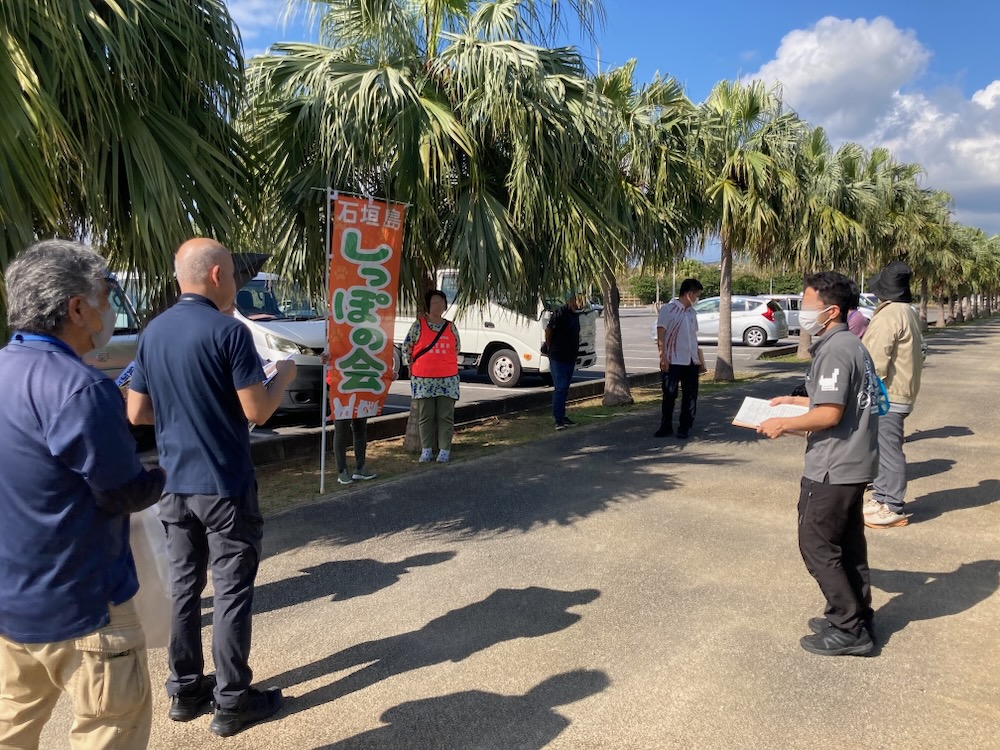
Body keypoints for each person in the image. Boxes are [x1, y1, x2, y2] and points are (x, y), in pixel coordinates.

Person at [127, 238, 297, 737]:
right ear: (218, 275)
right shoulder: (229, 332)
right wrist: (284, 375)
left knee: (184, 588)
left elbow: (136, 412)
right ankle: (232, 699)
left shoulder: (153, 333)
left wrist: (183, 411)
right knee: (231, 589)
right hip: (223, 483)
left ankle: (184, 690)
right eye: (234, 276)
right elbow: (256, 410)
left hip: (173, 484)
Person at [0, 239, 166, 748]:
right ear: (76, 308)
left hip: (13, 601)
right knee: (109, 728)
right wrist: (168, 474)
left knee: (11, 729)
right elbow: (123, 491)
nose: (108, 310)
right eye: (104, 297)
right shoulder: (80, 387)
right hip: (86, 605)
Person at [758, 271, 879, 657]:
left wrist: (783, 424)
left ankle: (848, 628)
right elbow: (833, 399)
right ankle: (858, 614)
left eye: (807, 303)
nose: (802, 310)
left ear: (831, 311)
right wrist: (791, 402)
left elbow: (829, 413)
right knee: (848, 544)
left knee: (816, 544)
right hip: (854, 462)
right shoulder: (852, 344)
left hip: (832, 466)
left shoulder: (835, 350)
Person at [862, 260, 924, 529]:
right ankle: (881, 497)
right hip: (901, 391)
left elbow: (875, 359)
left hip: (888, 394)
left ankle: (894, 506)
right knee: (882, 449)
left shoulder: (889, 315)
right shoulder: (907, 311)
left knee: (888, 451)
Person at [402, 289, 461, 462]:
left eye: (441, 302)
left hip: (447, 379)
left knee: (445, 416)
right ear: (428, 306)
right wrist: (409, 365)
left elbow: (456, 347)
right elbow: (407, 347)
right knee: (425, 416)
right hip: (423, 379)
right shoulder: (418, 325)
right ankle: (426, 449)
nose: (438, 305)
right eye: (434, 302)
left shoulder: (450, 326)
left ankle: (444, 450)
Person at [655, 278, 703, 438]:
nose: (697, 299)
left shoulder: (692, 313)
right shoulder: (668, 310)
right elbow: (661, 333)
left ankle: (685, 427)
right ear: (689, 294)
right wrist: (662, 356)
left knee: (690, 395)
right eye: (697, 295)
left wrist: (698, 358)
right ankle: (666, 426)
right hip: (673, 360)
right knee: (670, 394)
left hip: (691, 360)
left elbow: (693, 337)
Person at [325, 366, 377, 484]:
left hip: (360, 386)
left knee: (360, 429)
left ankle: (360, 468)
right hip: (340, 386)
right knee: (342, 430)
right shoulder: (334, 352)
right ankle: (342, 471)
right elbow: (327, 359)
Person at [544, 290, 583, 430]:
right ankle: (558, 420)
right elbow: (549, 331)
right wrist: (549, 346)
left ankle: (562, 416)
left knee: (565, 388)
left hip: (570, 357)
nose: (581, 302)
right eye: (579, 299)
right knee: (560, 387)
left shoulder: (575, 315)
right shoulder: (561, 313)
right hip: (558, 357)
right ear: (571, 300)